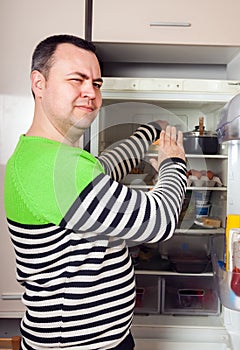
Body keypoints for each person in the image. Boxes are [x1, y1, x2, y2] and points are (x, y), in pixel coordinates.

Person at [4, 34, 187, 350]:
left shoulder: (48, 157)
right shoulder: (51, 167)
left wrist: (148, 133)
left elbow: (105, 168)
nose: (90, 92)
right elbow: (160, 221)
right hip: (77, 345)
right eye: (77, 80)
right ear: (40, 83)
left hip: (95, 339)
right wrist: (173, 163)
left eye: (97, 83)